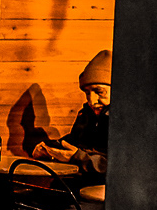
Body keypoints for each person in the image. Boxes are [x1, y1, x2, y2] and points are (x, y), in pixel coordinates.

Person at [32, 49, 111, 182]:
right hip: (79, 184)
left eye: (99, 92)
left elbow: (123, 167)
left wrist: (77, 158)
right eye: (87, 93)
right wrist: (49, 147)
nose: (92, 101)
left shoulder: (129, 121)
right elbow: (74, 141)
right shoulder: (87, 114)